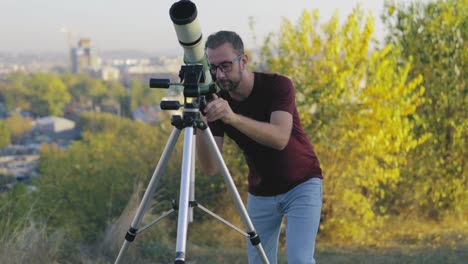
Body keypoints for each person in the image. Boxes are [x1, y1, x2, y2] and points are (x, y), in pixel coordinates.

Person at [196, 30, 323, 264]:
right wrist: (200, 127)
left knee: (300, 260)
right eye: (213, 68)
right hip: (261, 192)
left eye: (225, 65)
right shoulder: (216, 102)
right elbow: (211, 167)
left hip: (302, 183)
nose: (219, 74)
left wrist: (233, 118)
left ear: (243, 60)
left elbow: (279, 138)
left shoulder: (278, 85)